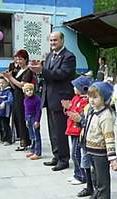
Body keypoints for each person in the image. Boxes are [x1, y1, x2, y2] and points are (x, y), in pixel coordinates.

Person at [29, 31, 75, 171]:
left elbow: (62, 74)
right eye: (50, 41)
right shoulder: (49, 56)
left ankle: (64, 159)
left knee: (60, 131)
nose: (52, 43)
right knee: (52, 130)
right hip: (49, 97)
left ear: (62, 40)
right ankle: (56, 156)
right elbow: (48, 76)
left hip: (61, 98)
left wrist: (43, 71)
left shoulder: (69, 56)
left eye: (55, 40)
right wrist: (38, 72)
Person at [81, 81, 115, 199]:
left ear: (104, 98)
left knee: (102, 183)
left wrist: (112, 157)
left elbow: (109, 136)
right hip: (91, 151)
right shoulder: (93, 112)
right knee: (95, 181)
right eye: (90, 97)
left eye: (95, 97)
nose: (92, 101)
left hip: (101, 153)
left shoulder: (106, 116)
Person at [62, 75, 91, 185]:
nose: (73, 88)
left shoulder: (84, 100)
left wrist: (71, 108)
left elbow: (78, 112)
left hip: (78, 130)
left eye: (75, 87)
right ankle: (76, 173)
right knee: (74, 153)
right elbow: (71, 111)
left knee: (75, 153)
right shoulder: (75, 98)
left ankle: (81, 175)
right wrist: (67, 108)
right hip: (72, 129)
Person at [2, 49, 33, 151]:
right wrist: (8, 78)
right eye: (17, 59)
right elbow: (14, 86)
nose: (18, 61)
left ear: (25, 59)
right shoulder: (19, 70)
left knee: (21, 119)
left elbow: (21, 85)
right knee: (16, 118)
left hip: (23, 97)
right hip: (16, 95)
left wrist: (10, 77)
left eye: (20, 59)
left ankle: (25, 141)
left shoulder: (29, 71)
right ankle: (23, 139)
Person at [0, 76, 13, 145]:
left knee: (5, 125)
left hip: (5, 112)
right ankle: (2, 138)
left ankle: (8, 139)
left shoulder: (8, 92)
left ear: (7, 83)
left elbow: (11, 100)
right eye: (0, 83)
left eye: (3, 83)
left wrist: (5, 102)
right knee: (0, 125)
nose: (1, 84)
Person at [23, 83, 42, 160]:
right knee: (32, 135)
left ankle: (38, 152)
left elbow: (38, 111)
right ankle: (32, 150)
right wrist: (26, 120)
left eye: (30, 90)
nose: (29, 92)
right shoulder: (25, 99)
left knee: (36, 135)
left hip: (34, 117)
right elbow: (26, 110)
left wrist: (37, 121)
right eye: (27, 91)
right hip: (29, 117)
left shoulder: (37, 99)